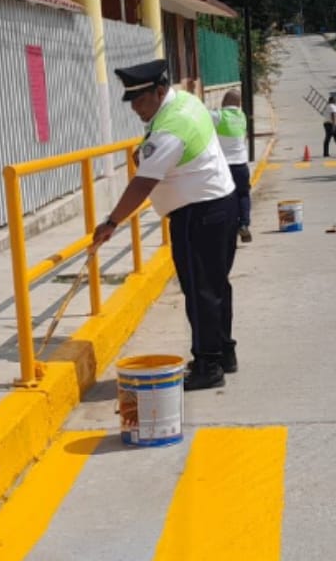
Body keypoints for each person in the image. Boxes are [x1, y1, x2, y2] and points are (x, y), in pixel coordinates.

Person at [91, 60, 238, 391]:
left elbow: (142, 184)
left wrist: (111, 222)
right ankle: (224, 352)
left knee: (199, 291)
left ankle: (208, 365)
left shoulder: (170, 128)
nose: (136, 110)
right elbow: (153, 155)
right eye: (132, 104)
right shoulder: (185, 101)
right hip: (221, 203)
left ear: (159, 92)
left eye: (141, 102)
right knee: (216, 285)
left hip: (197, 214)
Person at [212, 89, 252, 243]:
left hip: (223, 166)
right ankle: (244, 224)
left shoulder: (218, 116)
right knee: (243, 194)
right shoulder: (242, 117)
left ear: (224, 102)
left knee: (224, 197)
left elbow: (201, 114)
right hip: (241, 164)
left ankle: (226, 228)